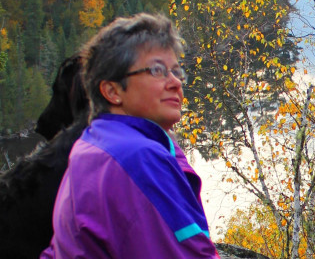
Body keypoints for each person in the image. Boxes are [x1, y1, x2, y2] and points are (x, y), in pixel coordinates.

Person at [41, 13, 219, 258]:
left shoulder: (94, 145)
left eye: (177, 71)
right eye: (157, 70)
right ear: (112, 91)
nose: (175, 83)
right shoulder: (137, 158)